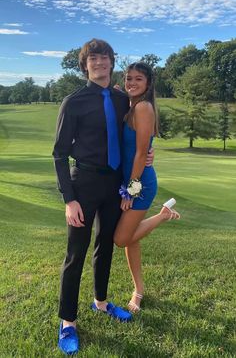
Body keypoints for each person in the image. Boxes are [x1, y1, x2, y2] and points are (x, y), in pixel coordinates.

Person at [52, 39, 155, 355]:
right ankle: (67, 321)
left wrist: (149, 154)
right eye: (92, 58)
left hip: (114, 185)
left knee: (105, 246)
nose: (99, 62)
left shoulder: (125, 99)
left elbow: (136, 139)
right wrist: (69, 200)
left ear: (112, 63)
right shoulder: (74, 102)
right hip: (83, 185)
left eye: (104, 58)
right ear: (85, 65)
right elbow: (59, 154)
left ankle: (101, 301)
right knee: (76, 253)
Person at [114, 62, 180, 313]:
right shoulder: (131, 104)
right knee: (132, 239)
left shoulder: (143, 108)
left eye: (138, 79)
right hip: (128, 180)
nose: (132, 83)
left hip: (139, 184)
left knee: (121, 239)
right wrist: (122, 91)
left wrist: (130, 190)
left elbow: (142, 153)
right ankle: (138, 289)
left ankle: (163, 215)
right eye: (128, 78)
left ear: (148, 84)